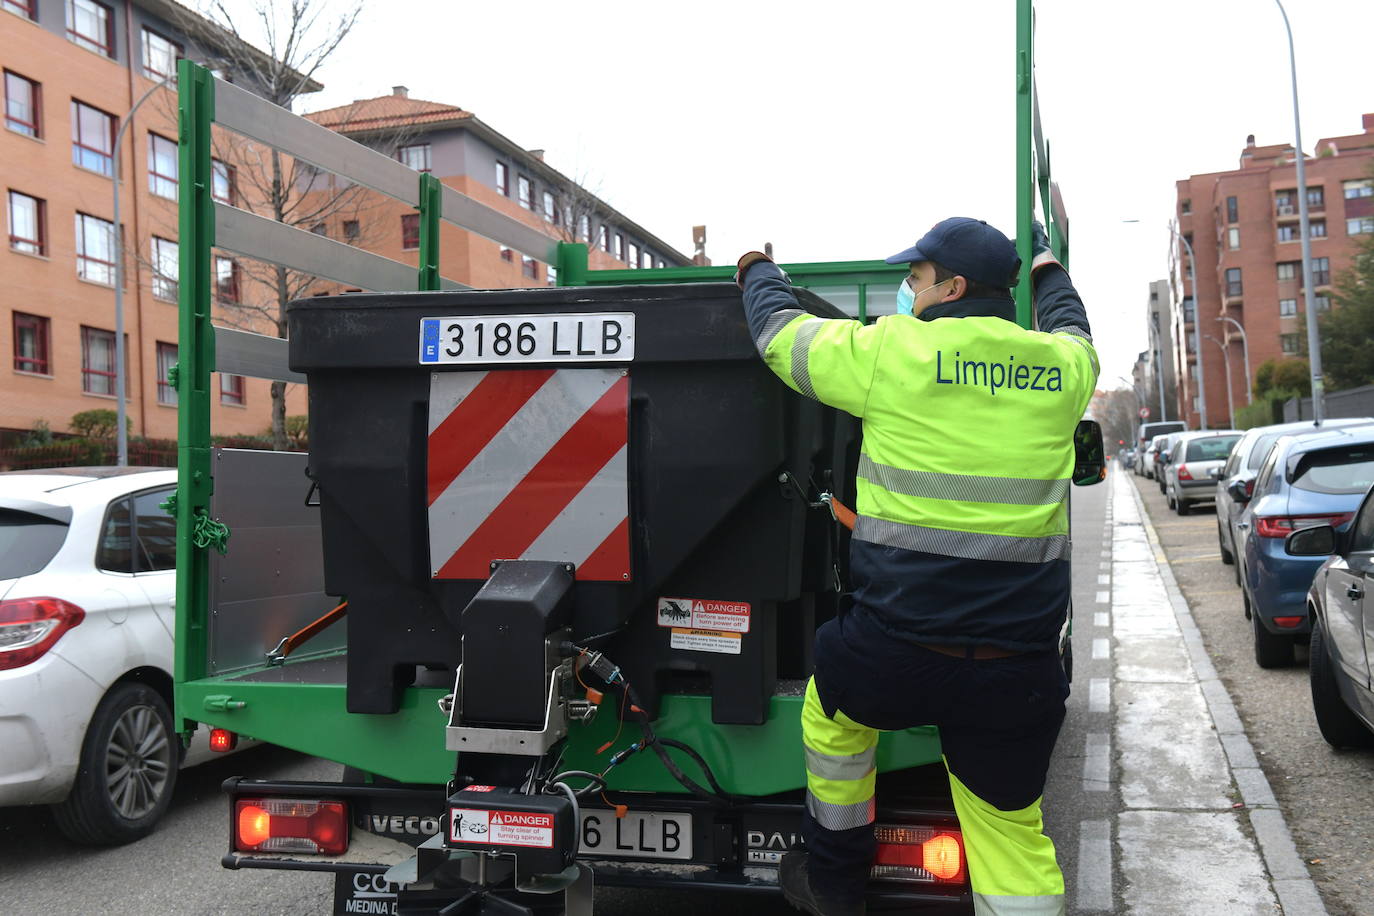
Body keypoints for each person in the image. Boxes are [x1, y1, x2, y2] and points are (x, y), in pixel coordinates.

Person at [734, 218, 1098, 916]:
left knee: (830, 713)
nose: (908, 290)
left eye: (916, 278)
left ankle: (836, 880)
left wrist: (757, 270)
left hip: (892, 653)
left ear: (952, 287)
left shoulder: (893, 352)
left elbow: (780, 338)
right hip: (1016, 668)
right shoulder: (1060, 370)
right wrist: (1050, 270)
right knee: (1011, 839)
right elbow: (1073, 326)